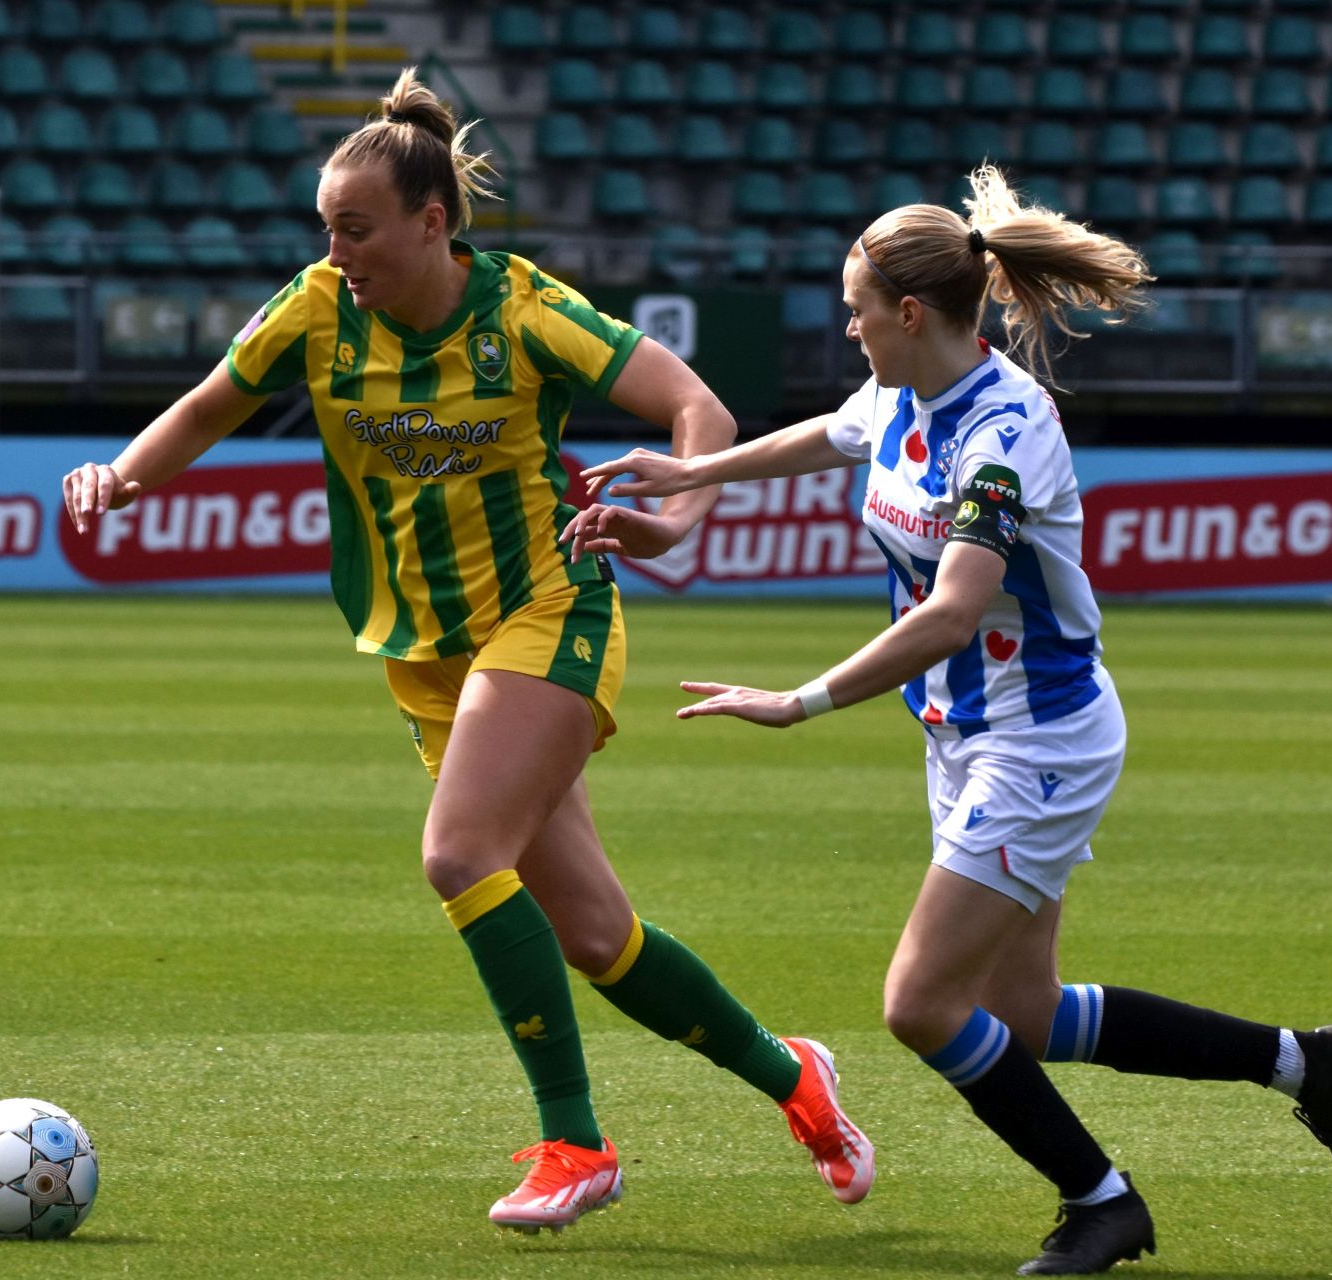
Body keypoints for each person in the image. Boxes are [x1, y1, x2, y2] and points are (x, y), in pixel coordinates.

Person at [61, 69, 872, 1234]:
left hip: (551, 609)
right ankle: (795, 1077)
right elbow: (204, 406)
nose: (337, 251)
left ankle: (574, 1141)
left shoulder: (526, 309)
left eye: (358, 228)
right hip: (425, 653)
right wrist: (121, 475)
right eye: (326, 229)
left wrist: (676, 518)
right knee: (598, 936)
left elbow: (701, 411)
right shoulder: (313, 310)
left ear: (433, 222)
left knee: (458, 852)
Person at [571, 166, 1332, 1276]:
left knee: (919, 1002)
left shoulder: (1003, 430)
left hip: (1038, 738)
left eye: (855, 308)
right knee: (1025, 1010)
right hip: (966, 731)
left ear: (908, 313)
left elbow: (954, 609)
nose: (845, 326)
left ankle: (1103, 1199)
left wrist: (799, 700)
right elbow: (826, 435)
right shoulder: (904, 389)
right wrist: (687, 479)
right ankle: (1306, 1063)